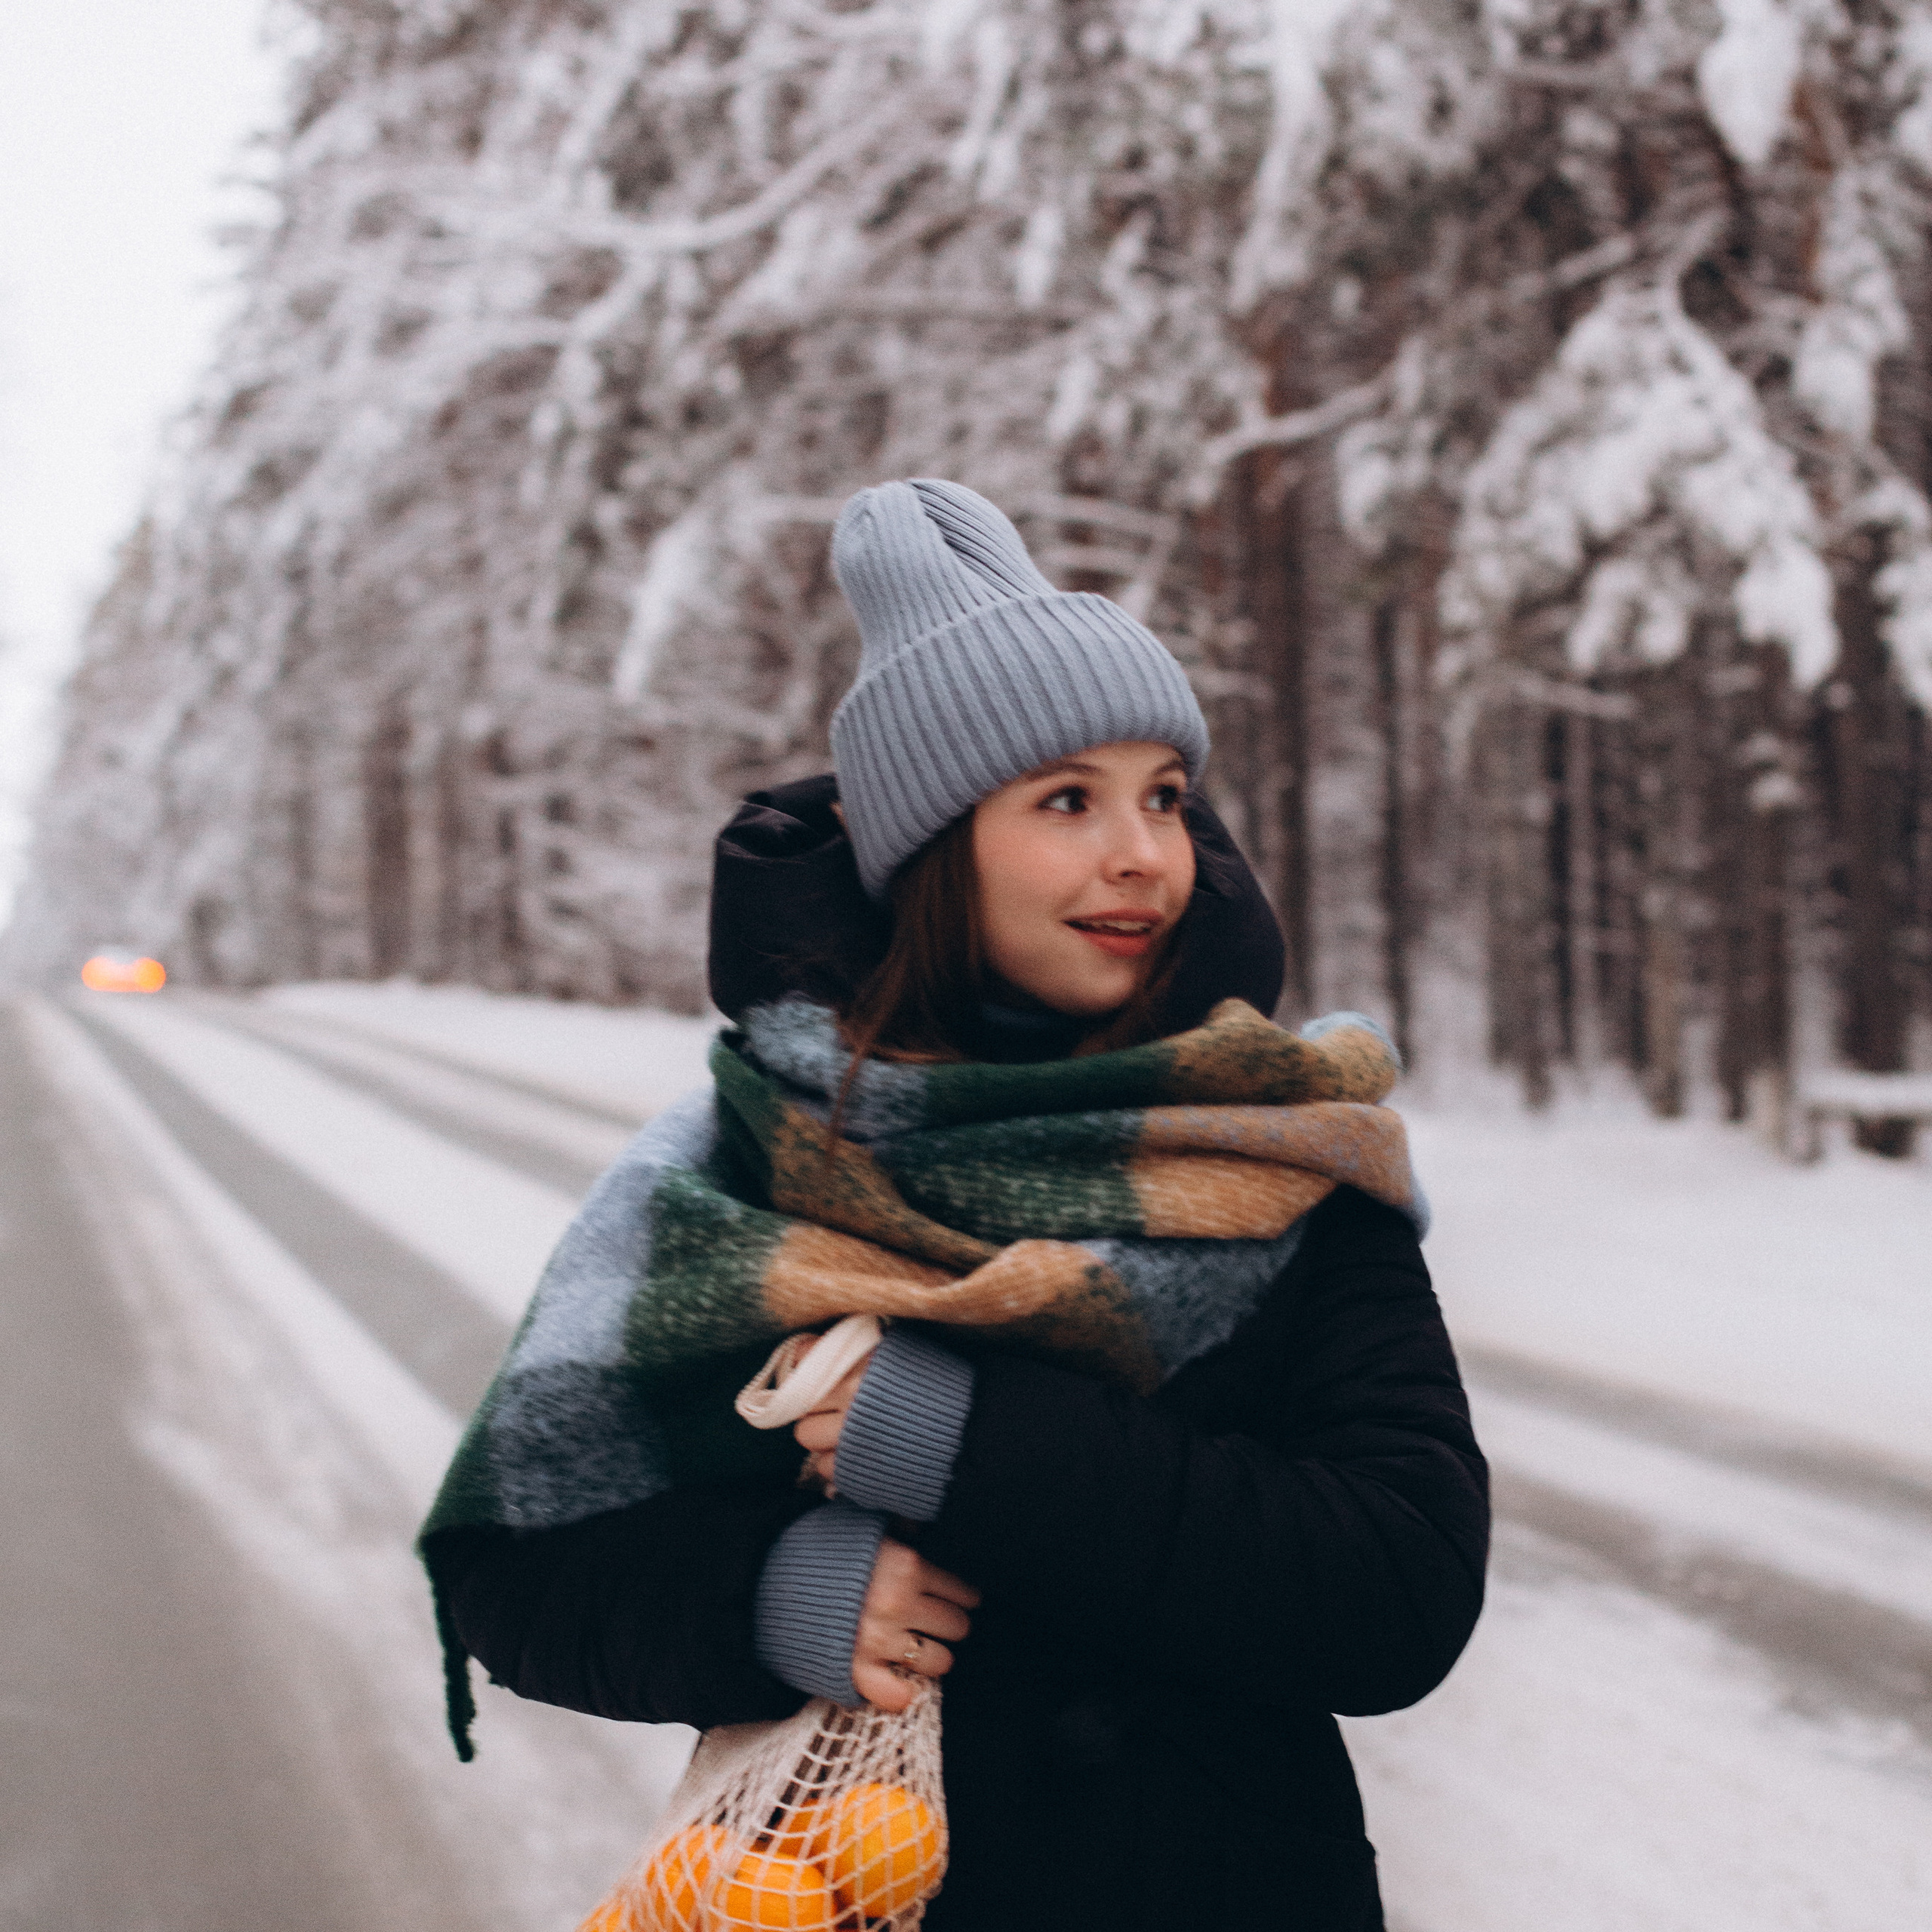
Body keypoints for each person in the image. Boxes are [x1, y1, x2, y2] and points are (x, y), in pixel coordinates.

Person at [421, 479, 1489, 1932]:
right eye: (1068, 800)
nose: (1143, 853)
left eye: (1164, 795)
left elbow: (1396, 1596)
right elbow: (523, 1570)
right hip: (836, 1891)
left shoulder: (1281, 1153)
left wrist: (967, 1440)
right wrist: (774, 1599)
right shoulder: (745, 1168)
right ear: (934, 850)